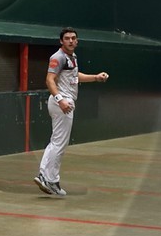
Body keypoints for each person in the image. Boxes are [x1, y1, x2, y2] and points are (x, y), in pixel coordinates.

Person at [34, 27, 108, 197]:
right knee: (59, 142)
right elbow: (49, 80)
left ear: (77, 41)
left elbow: (75, 77)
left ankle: (49, 178)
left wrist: (96, 77)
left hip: (64, 102)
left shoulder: (71, 57)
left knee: (58, 142)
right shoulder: (58, 57)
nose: (70, 41)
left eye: (73, 38)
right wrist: (61, 100)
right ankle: (47, 178)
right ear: (61, 41)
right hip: (62, 102)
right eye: (67, 38)